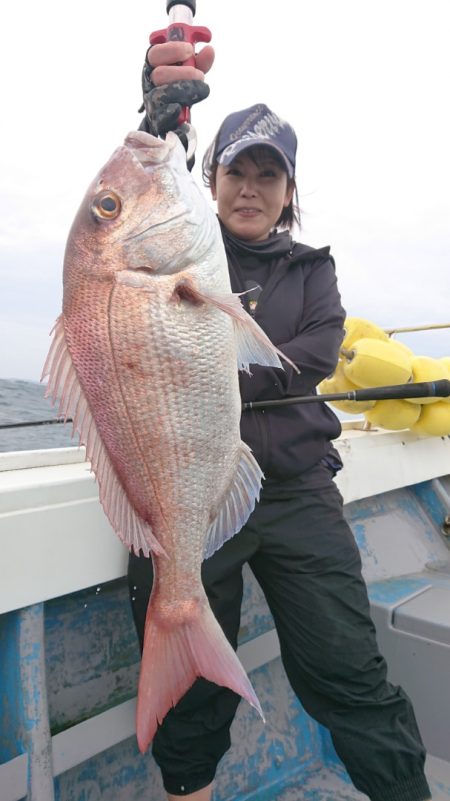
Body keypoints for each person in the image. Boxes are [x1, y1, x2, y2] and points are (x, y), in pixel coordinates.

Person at [128, 39, 431, 801]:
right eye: (237, 170)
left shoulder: (313, 271)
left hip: (296, 492)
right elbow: (139, 210)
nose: (252, 188)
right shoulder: (184, 249)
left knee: (348, 671)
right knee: (193, 703)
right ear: (211, 178)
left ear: (290, 191)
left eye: (270, 175)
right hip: (194, 486)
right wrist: (156, 121)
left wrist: (208, 364)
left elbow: (313, 357)